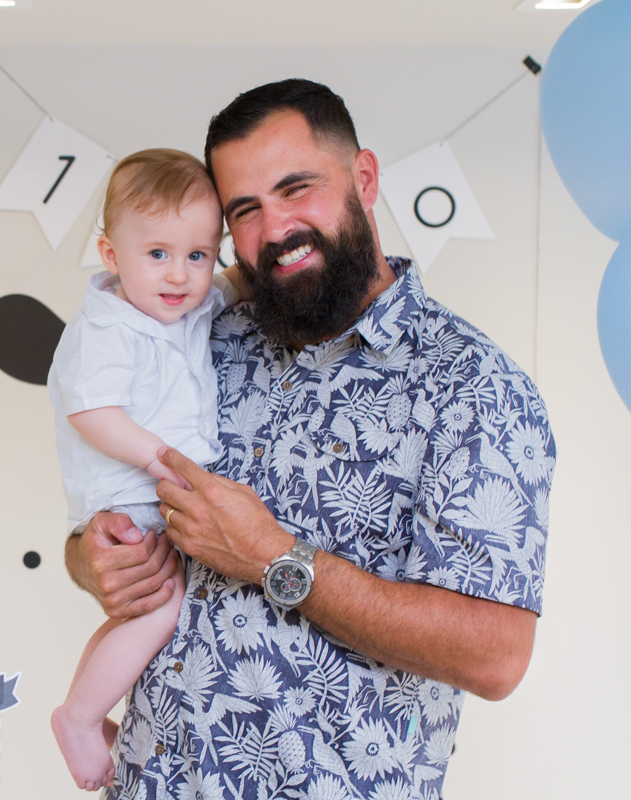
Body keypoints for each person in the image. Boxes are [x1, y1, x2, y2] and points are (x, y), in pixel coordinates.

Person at [64, 80, 554, 800]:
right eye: (246, 210)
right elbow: (104, 494)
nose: (277, 228)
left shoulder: (471, 385)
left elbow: (496, 656)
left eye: (297, 189)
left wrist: (275, 559)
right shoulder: (203, 333)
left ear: (364, 179)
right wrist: (92, 558)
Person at [47, 149, 246, 790]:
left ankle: (79, 709)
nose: (180, 274)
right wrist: (161, 459)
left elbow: (233, 285)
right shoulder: (108, 327)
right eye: (157, 253)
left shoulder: (182, 305)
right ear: (111, 255)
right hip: (131, 490)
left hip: (152, 486)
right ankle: (81, 717)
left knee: (138, 614)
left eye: (198, 254)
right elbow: (93, 412)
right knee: (163, 607)